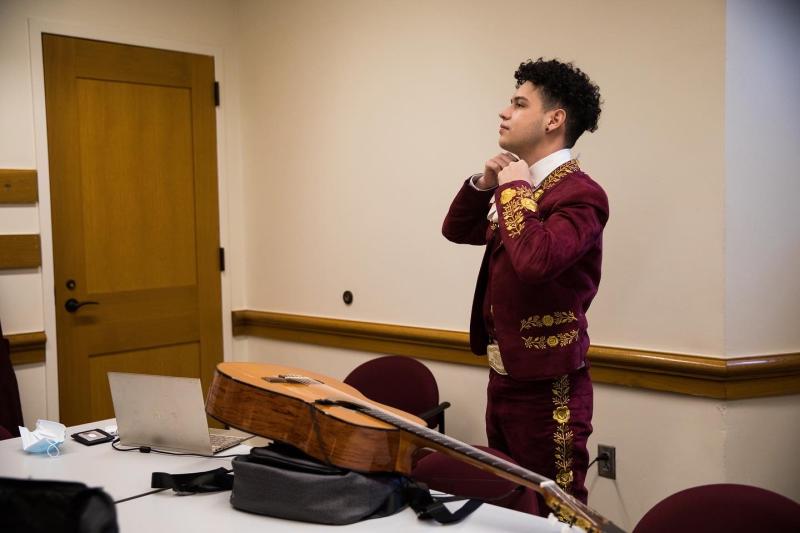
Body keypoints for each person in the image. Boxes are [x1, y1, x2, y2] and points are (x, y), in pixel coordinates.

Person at [442, 58, 608, 508]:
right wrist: (484, 183)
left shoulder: (580, 193)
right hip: (504, 375)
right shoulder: (516, 185)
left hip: (549, 383)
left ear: (554, 120)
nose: (504, 113)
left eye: (518, 104)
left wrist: (514, 190)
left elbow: (537, 260)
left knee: (556, 506)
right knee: (508, 499)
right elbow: (457, 230)